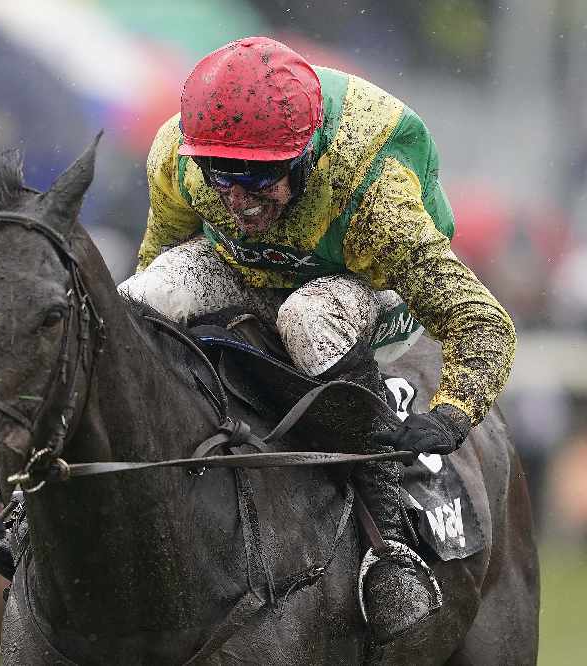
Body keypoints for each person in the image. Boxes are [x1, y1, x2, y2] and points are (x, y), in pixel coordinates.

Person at [118, 37, 515, 643]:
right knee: (138, 302)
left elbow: (482, 322)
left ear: (306, 158)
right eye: (222, 173)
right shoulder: (177, 156)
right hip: (252, 271)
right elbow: (162, 255)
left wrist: (455, 411)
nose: (237, 198)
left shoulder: (375, 198)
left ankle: (391, 545)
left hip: (367, 286)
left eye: (260, 177)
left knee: (307, 317)